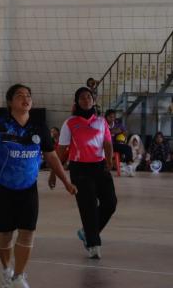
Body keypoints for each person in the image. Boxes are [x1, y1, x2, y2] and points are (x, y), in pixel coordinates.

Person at [0, 84, 77, 288]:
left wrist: (66, 182)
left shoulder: (39, 127)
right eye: (20, 95)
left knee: (27, 231)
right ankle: (6, 269)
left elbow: (51, 156)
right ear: (10, 102)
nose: (25, 99)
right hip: (2, 187)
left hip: (28, 188)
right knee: (4, 235)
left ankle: (18, 276)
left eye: (28, 95)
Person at [57, 87, 117, 260]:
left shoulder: (101, 121)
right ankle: (93, 244)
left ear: (93, 100)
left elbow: (107, 142)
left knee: (110, 203)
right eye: (82, 98)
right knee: (88, 206)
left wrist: (109, 159)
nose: (86, 100)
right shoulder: (70, 123)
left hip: (99, 166)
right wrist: (55, 171)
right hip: (79, 169)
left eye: (89, 97)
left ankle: (87, 232)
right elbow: (62, 148)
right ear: (77, 102)